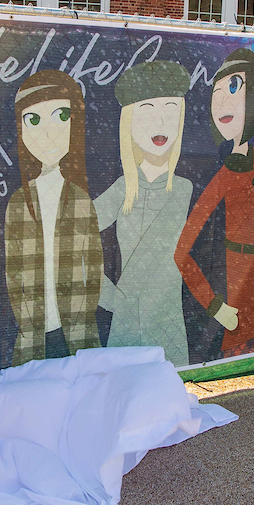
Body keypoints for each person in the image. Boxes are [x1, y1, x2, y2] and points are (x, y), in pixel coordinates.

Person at [174, 48, 254, 359]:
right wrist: (216, 307)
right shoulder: (225, 175)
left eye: (234, 87)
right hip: (236, 306)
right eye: (217, 93)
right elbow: (181, 252)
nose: (222, 102)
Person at [94, 61, 193, 366]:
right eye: (147, 110)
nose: (160, 122)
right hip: (128, 317)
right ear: (130, 122)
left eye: (170, 109)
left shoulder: (185, 189)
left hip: (169, 317)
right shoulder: (123, 189)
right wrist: (106, 295)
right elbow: (73, 236)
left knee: (173, 390)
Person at [4, 69, 102, 365]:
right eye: (33, 120)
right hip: (33, 326)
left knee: (84, 386)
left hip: (77, 324)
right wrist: (26, 317)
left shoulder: (81, 199)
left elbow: (94, 265)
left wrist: (84, 309)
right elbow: (13, 270)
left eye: (61, 116)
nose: (48, 132)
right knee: (34, 389)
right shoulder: (19, 202)